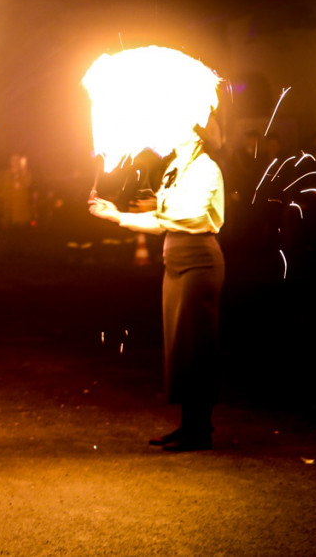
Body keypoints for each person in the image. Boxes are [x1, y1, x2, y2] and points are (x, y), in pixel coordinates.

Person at [89, 125, 225, 451]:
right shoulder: (177, 169)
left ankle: (200, 432)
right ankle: (190, 425)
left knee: (197, 345)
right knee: (180, 347)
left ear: (196, 135)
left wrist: (158, 211)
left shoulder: (206, 168)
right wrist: (117, 217)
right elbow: (161, 221)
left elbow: (192, 218)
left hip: (199, 263)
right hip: (175, 265)